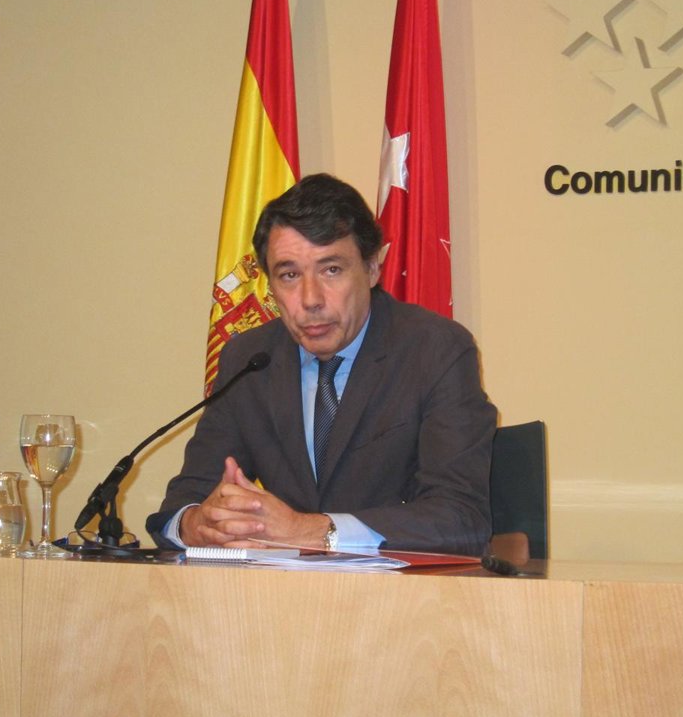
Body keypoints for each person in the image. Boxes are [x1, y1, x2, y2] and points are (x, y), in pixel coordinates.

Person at [145, 174, 496, 556]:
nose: (310, 299)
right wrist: (197, 525)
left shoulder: (434, 351)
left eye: (331, 270)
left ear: (372, 268)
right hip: (277, 589)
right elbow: (185, 501)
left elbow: (461, 518)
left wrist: (310, 531)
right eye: (289, 275)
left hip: (401, 589)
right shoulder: (250, 359)